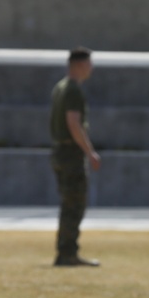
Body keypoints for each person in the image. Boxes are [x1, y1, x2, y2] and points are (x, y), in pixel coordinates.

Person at [49, 47, 102, 267]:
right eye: (89, 64)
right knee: (75, 203)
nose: (91, 68)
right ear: (79, 65)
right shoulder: (73, 90)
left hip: (59, 151)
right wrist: (89, 151)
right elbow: (73, 122)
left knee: (68, 203)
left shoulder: (60, 87)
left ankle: (66, 250)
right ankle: (68, 252)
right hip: (71, 153)